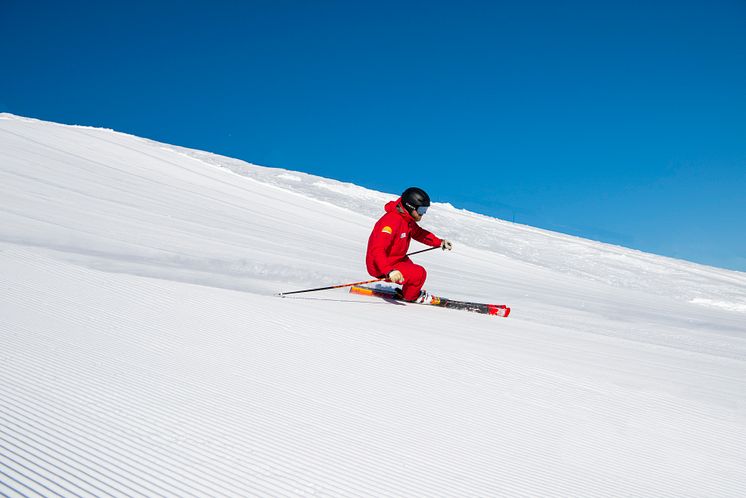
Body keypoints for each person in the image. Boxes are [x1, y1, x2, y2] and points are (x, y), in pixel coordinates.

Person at [366, 187, 452, 303]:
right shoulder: (390, 222)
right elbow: (377, 249)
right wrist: (389, 271)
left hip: (396, 259)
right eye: (421, 210)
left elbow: (419, 233)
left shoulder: (406, 219)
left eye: (425, 210)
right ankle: (412, 297)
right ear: (410, 206)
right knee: (419, 274)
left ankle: (408, 293)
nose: (423, 214)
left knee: (412, 273)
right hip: (380, 265)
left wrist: (439, 242)